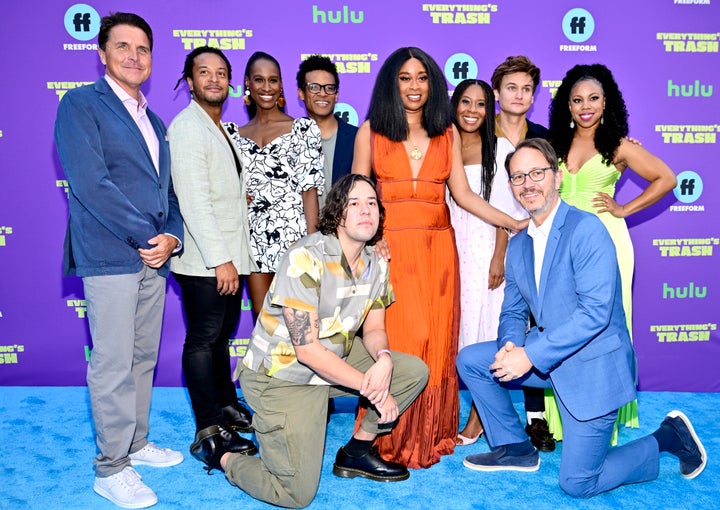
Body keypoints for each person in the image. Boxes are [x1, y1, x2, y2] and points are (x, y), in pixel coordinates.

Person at [456, 138, 706, 498]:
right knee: (473, 360)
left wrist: (527, 355)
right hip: (550, 362)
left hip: (593, 369)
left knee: (577, 483)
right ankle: (515, 447)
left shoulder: (586, 229)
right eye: (518, 177)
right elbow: (512, 309)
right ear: (511, 186)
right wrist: (511, 343)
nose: (528, 183)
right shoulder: (520, 243)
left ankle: (668, 437)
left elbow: (594, 315)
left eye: (537, 173)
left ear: (557, 177)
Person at [191, 174, 429, 508]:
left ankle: (356, 453)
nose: (366, 210)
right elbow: (307, 350)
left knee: (411, 371)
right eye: (354, 203)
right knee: (295, 494)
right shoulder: (307, 255)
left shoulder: (377, 263)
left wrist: (385, 359)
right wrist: (371, 386)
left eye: (372, 203)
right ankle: (222, 455)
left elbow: (374, 329)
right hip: (281, 376)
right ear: (337, 214)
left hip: (335, 359)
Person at [352, 47, 527, 469]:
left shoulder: (445, 133)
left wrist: (512, 222)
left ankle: (431, 433)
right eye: (405, 78)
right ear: (392, 83)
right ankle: (386, 435)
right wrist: (372, 234)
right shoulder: (371, 131)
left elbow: (464, 196)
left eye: (422, 78)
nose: (414, 87)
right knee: (399, 341)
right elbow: (357, 190)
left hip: (438, 251)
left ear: (433, 83)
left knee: (436, 343)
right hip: (391, 249)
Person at [54, 12, 184, 509]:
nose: (134, 56)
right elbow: (91, 185)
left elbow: (165, 192)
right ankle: (110, 468)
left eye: (143, 49)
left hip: (153, 258)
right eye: (123, 46)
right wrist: (146, 235)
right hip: (110, 253)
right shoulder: (81, 104)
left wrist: (170, 235)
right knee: (111, 362)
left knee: (141, 358)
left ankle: (135, 443)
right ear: (103, 53)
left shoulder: (153, 120)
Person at [549, 63, 677, 432]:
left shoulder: (618, 145)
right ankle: (565, 417)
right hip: (562, 243)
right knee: (563, 326)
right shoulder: (555, 143)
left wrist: (624, 209)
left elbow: (666, 178)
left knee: (607, 327)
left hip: (606, 241)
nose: (585, 106)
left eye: (593, 98)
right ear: (567, 106)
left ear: (606, 103)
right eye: (577, 100)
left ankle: (608, 418)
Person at [167, 46, 258, 463]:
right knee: (204, 340)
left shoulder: (220, 127)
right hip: (206, 261)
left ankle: (224, 406)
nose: (214, 79)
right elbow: (194, 201)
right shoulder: (187, 127)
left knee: (220, 337)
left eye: (221, 73)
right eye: (204, 72)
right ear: (190, 81)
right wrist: (221, 259)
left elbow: (221, 191)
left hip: (225, 258)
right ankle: (208, 428)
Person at [448, 79, 527, 447]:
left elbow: (507, 209)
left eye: (481, 104)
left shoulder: (503, 147)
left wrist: (499, 255)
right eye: (466, 102)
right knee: (459, 331)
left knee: (484, 333)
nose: (472, 111)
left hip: (486, 249)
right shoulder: (442, 143)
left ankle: (478, 418)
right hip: (451, 248)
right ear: (454, 104)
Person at [227, 51, 324, 316]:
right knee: (264, 325)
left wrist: (312, 246)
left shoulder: (303, 130)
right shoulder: (232, 135)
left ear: (281, 85)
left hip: (294, 243)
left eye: (273, 80)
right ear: (247, 82)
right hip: (252, 243)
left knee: (299, 330)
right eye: (259, 80)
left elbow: (310, 193)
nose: (266, 87)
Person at [491, 55, 554, 452]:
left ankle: (536, 416)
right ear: (496, 94)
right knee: (493, 320)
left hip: (536, 237)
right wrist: (500, 249)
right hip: (486, 239)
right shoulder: (478, 131)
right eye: (511, 87)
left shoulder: (545, 134)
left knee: (537, 318)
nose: (519, 95)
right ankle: (483, 411)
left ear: (534, 95)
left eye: (527, 89)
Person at [297, 54, 358, 206]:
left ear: (336, 95)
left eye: (329, 88)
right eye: (314, 87)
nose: (323, 93)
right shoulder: (289, 138)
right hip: (301, 228)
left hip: (344, 227)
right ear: (301, 93)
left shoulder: (356, 138)